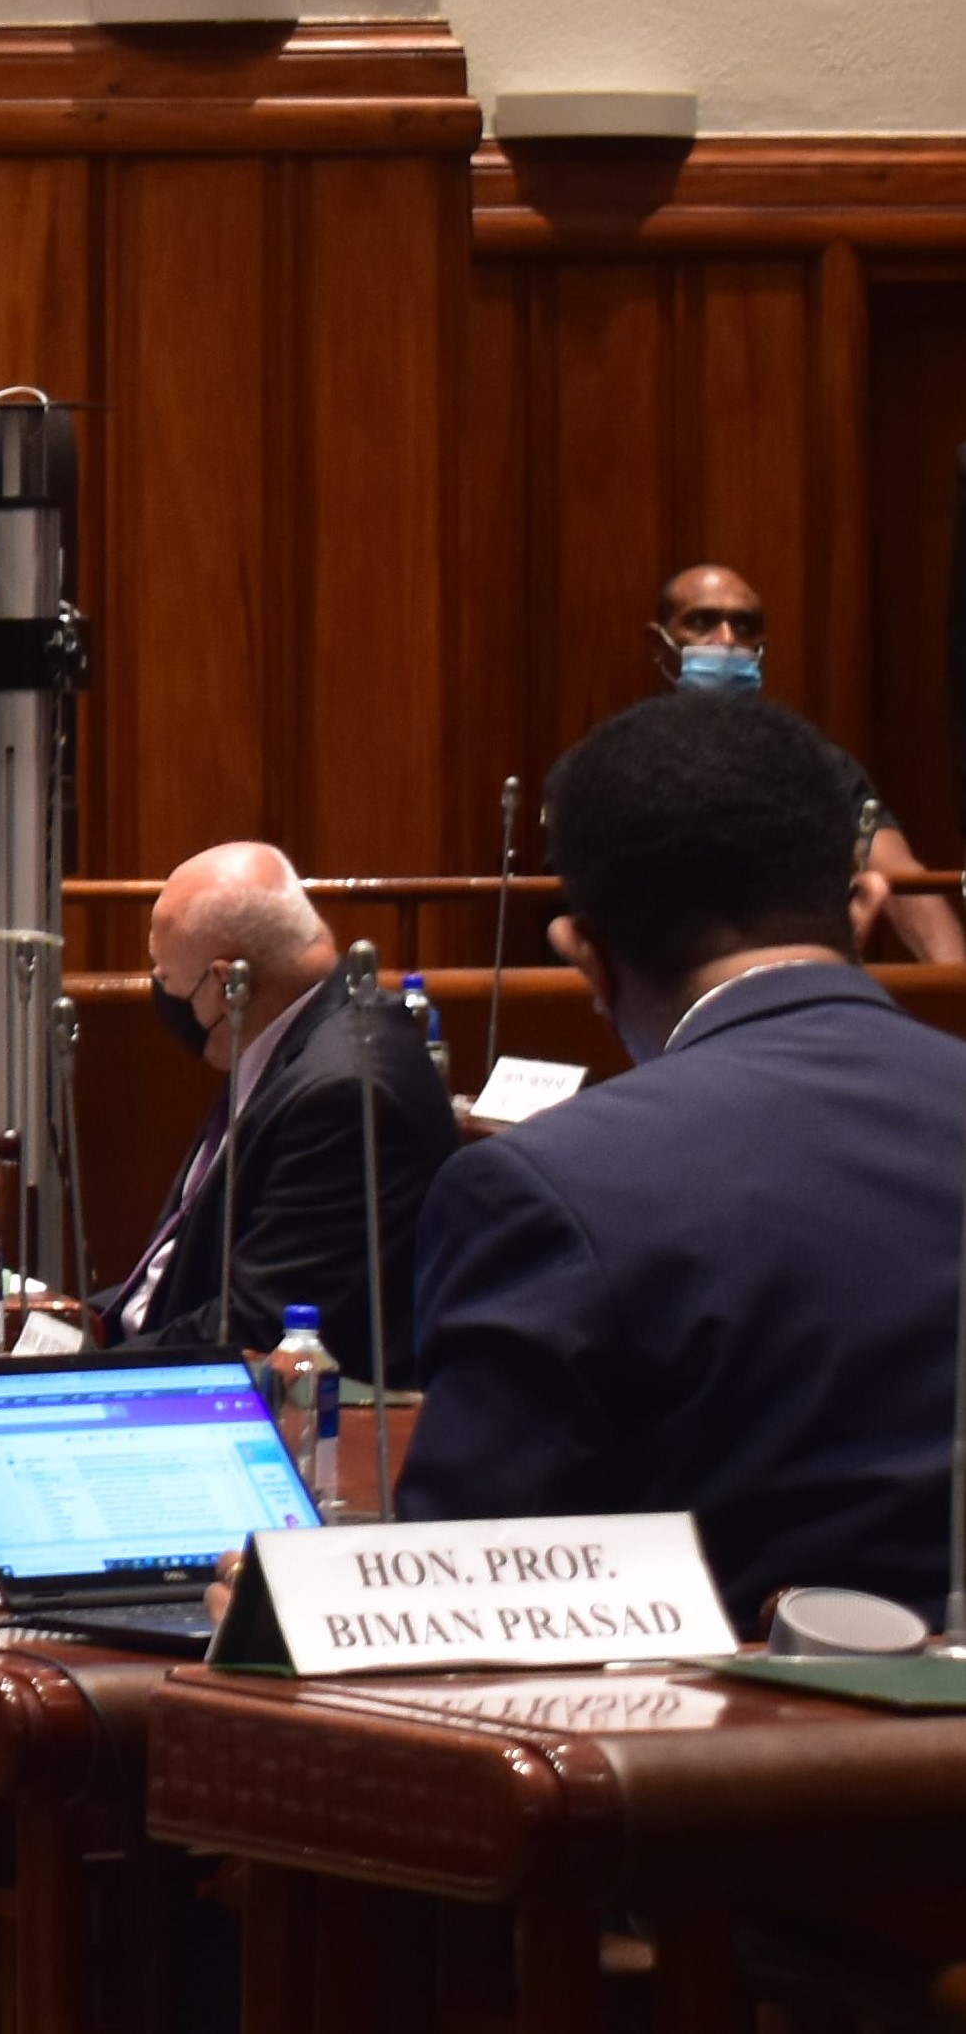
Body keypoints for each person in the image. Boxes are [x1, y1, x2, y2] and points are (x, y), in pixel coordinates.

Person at [394, 693, 966, 1619]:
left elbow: (465, 1615)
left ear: (586, 955)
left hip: (724, 1752)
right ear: (864, 905)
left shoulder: (548, 1187)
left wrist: (287, 1612)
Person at [94, 843, 453, 1363]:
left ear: (227, 985)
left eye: (168, 981)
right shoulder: (291, 1038)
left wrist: (78, 1374)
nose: (164, 998)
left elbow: (259, 1324)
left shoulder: (344, 1094)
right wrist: (80, 1323)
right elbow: (179, 1276)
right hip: (173, 1345)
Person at [649, 563, 966, 964]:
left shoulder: (816, 764)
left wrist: (957, 989)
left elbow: (900, 876)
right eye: (702, 622)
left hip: (794, 984)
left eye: (745, 626)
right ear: (659, 644)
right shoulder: (615, 765)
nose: (727, 641)